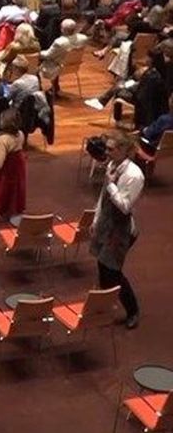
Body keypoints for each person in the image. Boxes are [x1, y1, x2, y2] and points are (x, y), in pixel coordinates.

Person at [91, 131, 144, 329]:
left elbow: (124, 206)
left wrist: (112, 184)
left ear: (123, 150)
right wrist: (96, 218)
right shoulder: (112, 165)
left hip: (120, 230)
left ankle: (133, 310)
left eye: (111, 149)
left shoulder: (134, 175)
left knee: (113, 272)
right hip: (106, 224)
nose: (107, 152)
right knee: (102, 268)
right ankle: (104, 307)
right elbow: (103, 197)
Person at [39, 18, 89, 93]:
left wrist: (38, 52)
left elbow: (48, 55)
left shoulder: (59, 42)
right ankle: (55, 87)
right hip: (74, 65)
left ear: (62, 30)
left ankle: (42, 89)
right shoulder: (83, 38)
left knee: (36, 64)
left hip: (57, 67)